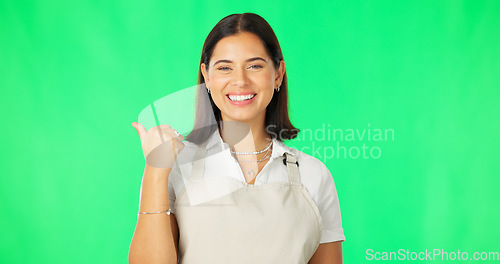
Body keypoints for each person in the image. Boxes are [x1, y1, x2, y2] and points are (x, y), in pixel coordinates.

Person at [129, 13, 345, 264]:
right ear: (207, 77)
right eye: (224, 68)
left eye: (254, 65)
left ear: (277, 74)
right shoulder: (176, 166)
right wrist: (156, 171)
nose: (240, 80)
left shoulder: (314, 174)